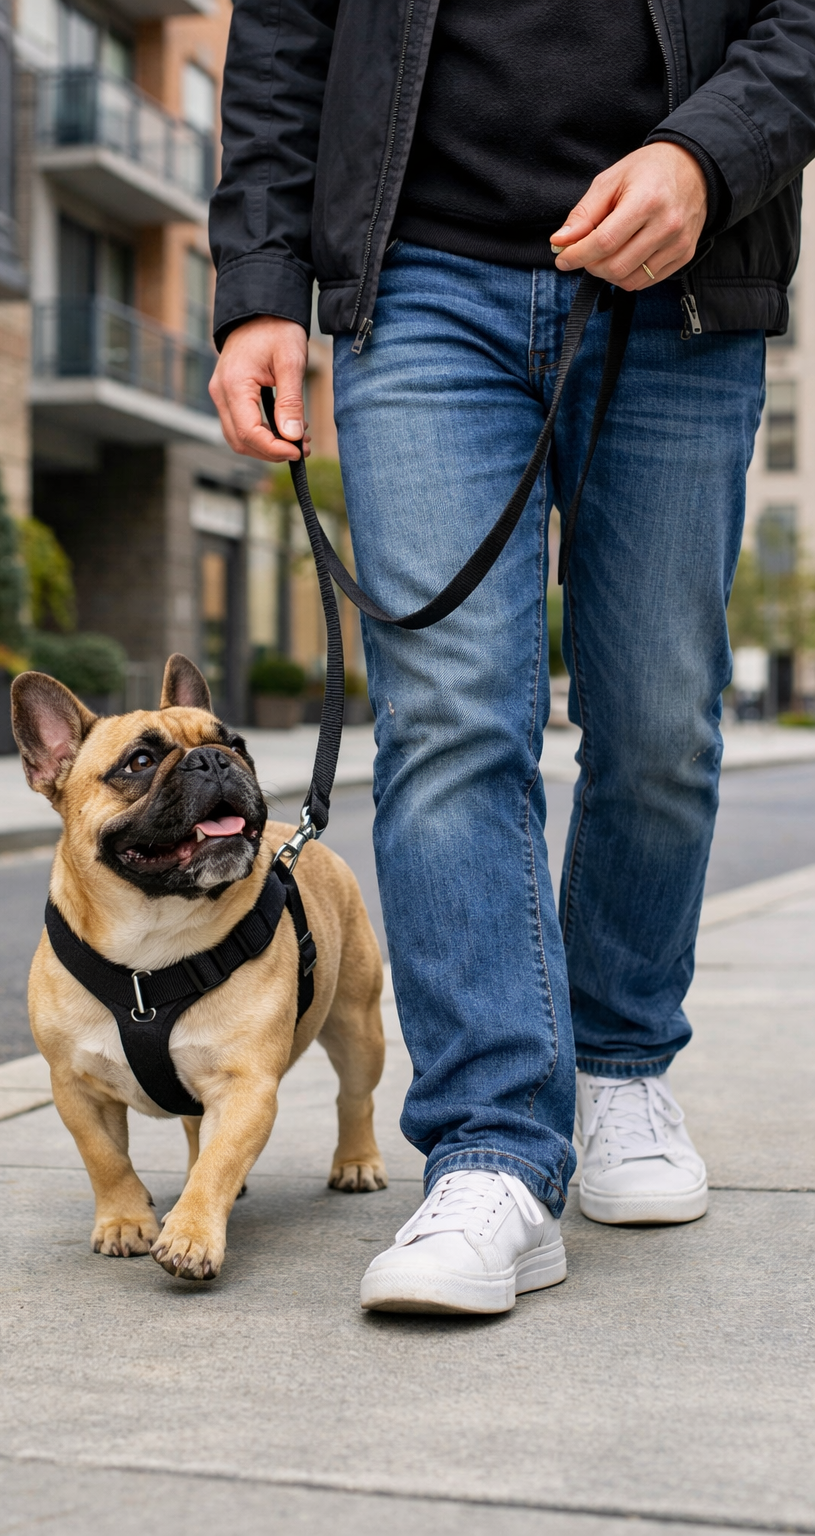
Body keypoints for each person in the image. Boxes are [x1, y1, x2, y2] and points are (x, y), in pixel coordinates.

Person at [207, 0, 815, 1314]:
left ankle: (620, 1064)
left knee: (661, 724)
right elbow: (282, 37)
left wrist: (711, 156)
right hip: (419, 278)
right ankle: (492, 1152)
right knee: (448, 723)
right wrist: (259, 286)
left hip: (685, 283)